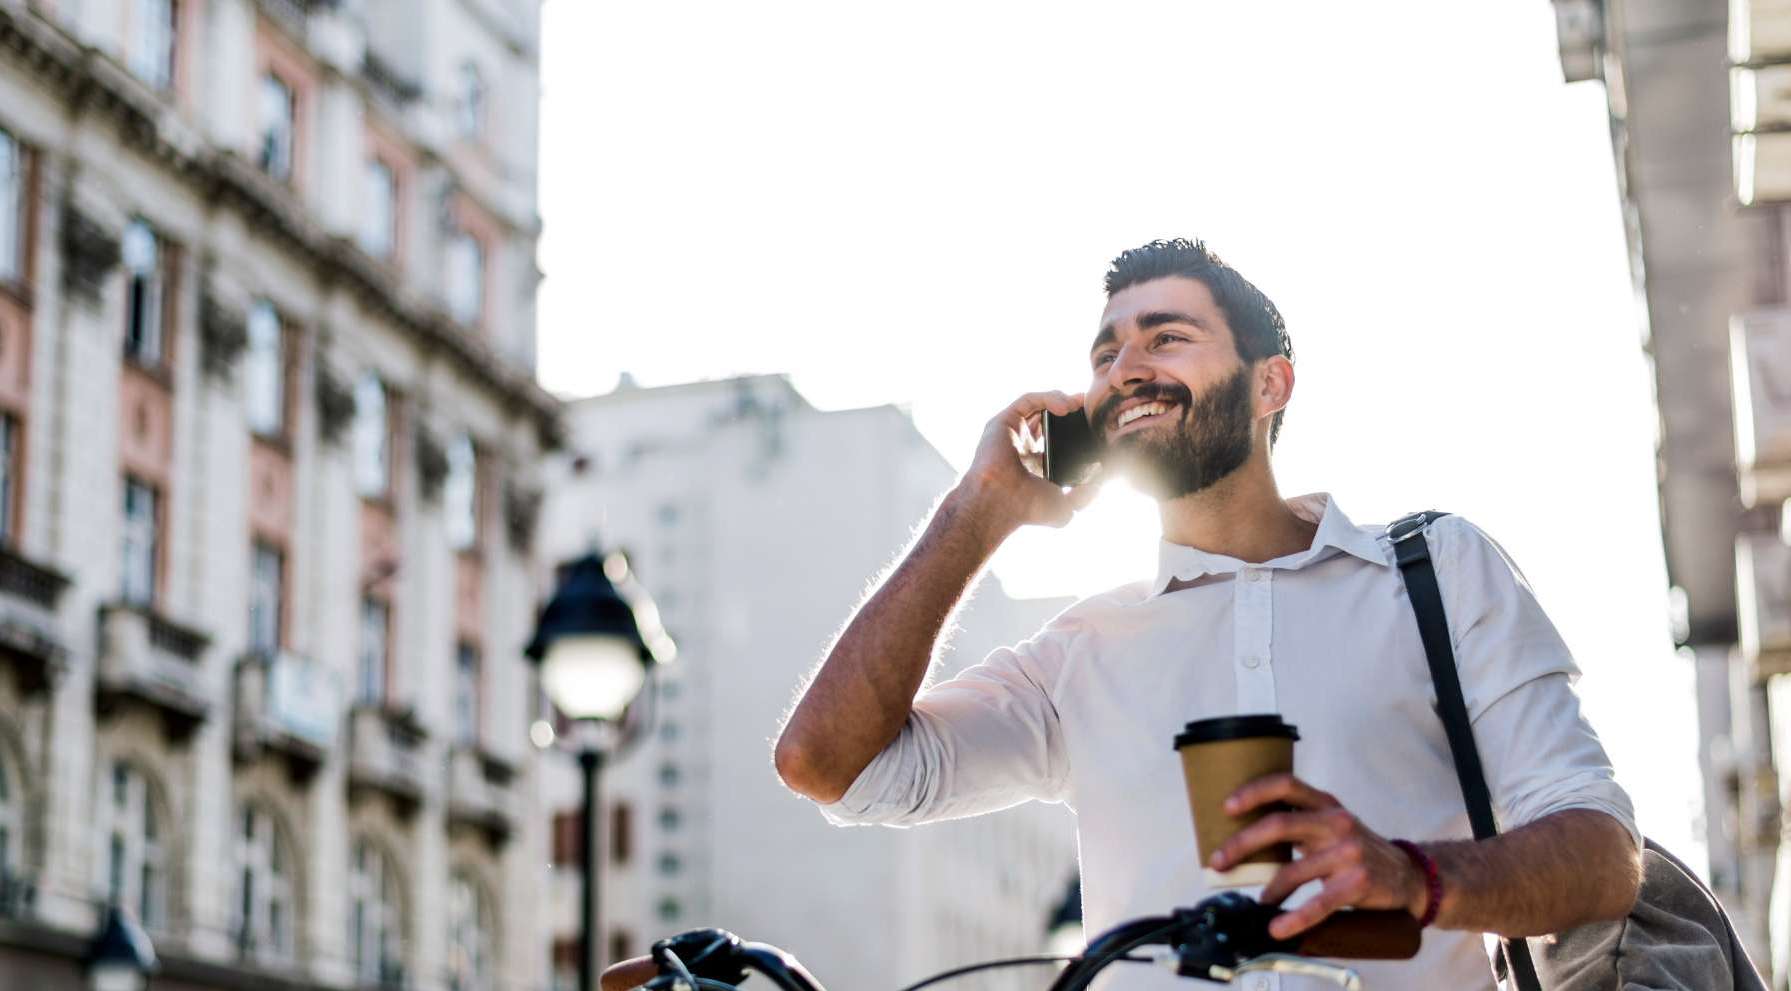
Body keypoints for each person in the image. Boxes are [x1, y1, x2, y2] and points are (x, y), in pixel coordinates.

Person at [771, 238, 1643, 990]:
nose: (1125, 369)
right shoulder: (1076, 652)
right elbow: (828, 765)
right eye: (1105, 354)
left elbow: (1602, 855)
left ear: (1271, 385)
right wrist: (978, 511)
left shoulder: (1435, 570)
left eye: (1167, 337)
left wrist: (1412, 875)